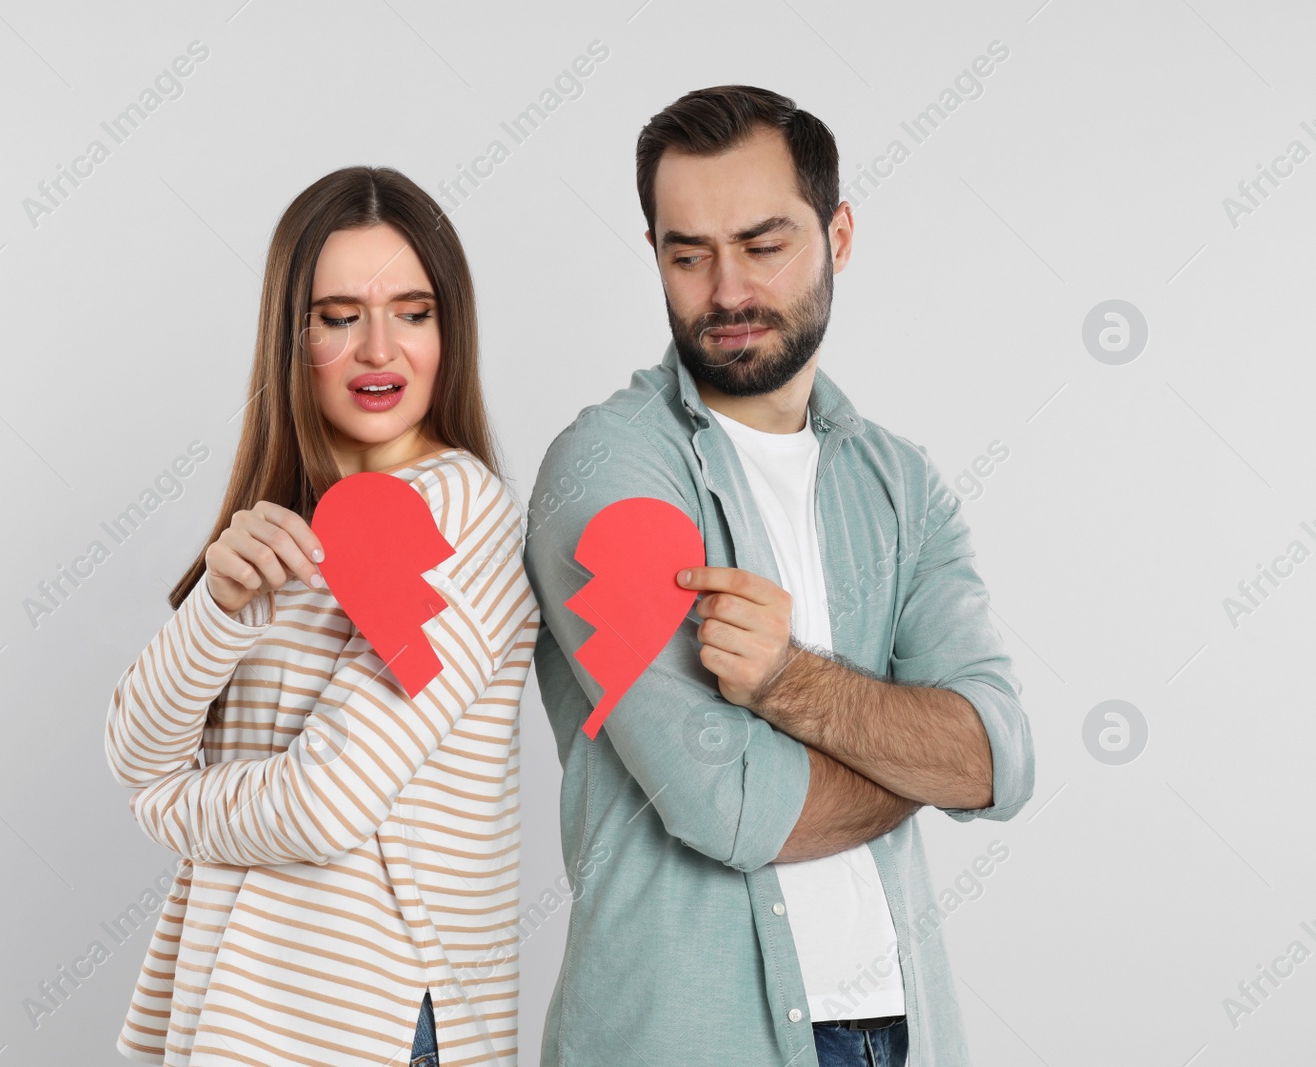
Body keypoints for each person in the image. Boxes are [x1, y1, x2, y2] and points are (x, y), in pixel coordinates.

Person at [523, 86, 1034, 1067]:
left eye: (763, 246)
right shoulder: (606, 478)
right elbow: (736, 806)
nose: (725, 291)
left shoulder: (902, 484)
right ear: (654, 256)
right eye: (687, 254)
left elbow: (997, 757)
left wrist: (789, 680)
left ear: (838, 233)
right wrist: (910, 748)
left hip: (903, 1029)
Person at [104, 165, 538, 1067]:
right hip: (230, 1010)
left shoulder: (458, 508)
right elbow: (134, 747)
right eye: (340, 317)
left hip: (365, 1027)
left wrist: (160, 809)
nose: (380, 349)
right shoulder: (285, 529)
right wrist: (220, 608)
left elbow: (322, 804)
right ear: (290, 336)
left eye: (414, 313)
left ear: (449, 330)